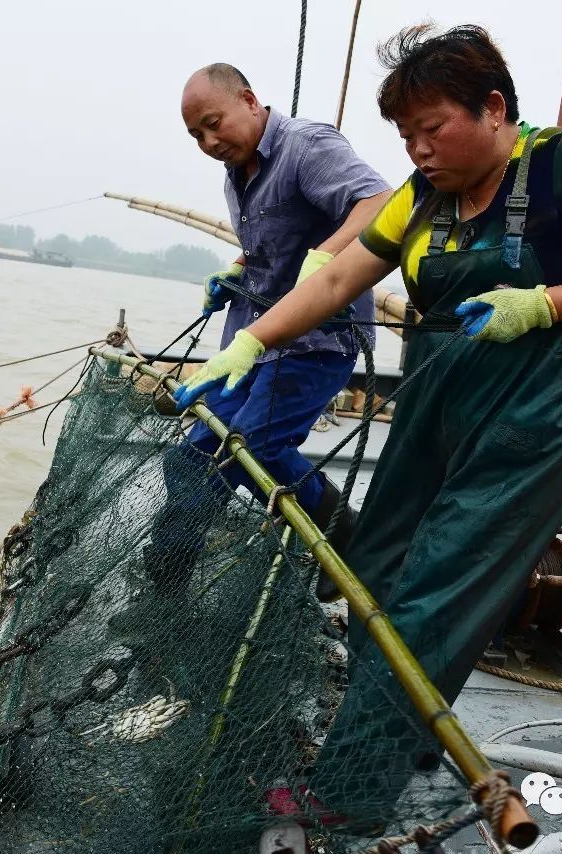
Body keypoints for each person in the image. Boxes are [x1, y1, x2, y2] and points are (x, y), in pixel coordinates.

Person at [173, 25, 562, 817]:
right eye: (405, 134)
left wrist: (545, 302)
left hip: (538, 413)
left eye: (430, 127)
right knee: (374, 562)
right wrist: (251, 338)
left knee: (436, 590)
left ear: (492, 108)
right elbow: (345, 271)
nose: (416, 148)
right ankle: (397, 727)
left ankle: (345, 796)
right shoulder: (425, 196)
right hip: (435, 399)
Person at [133, 63, 390, 608]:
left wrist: (329, 254)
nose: (208, 141)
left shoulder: (306, 145)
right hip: (251, 344)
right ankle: (166, 584)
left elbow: (380, 203)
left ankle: (347, 533)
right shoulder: (238, 169)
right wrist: (237, 268)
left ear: (249, 100)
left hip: (314, 345)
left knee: (255, 447)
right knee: (190, 459)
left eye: (213, 123)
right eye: (195, 135)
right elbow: (272, 245)